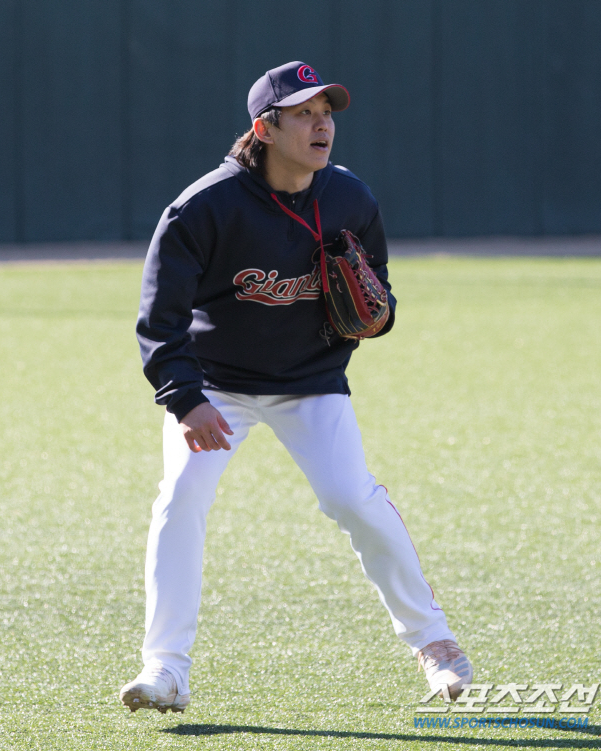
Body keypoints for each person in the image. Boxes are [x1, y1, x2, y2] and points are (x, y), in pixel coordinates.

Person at [120, 61, 472, 714]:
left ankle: (434, 641)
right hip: (218, 387)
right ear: (265, 128)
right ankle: (165, 668)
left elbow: (381, 293)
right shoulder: (203, 208)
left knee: (352, 498)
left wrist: (381, 312)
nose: (322, 125)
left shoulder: (349, 198)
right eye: (304, 113)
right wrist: (186, 398)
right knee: (181, 497)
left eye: (327, 112)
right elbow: (159, 318)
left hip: (311, 381)